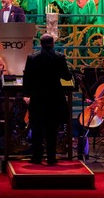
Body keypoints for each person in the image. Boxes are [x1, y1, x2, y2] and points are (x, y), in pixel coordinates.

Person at [22, 34, 72, 165]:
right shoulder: (59, 57)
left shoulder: (32, 58)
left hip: (38, 98)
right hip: (54, 97)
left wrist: (27, 94)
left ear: (40, 44)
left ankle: (37, 157)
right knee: (52, 129)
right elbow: (66, 77)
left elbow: (27, 79)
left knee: (37, 128)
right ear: (53, 43)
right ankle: (51, 158)